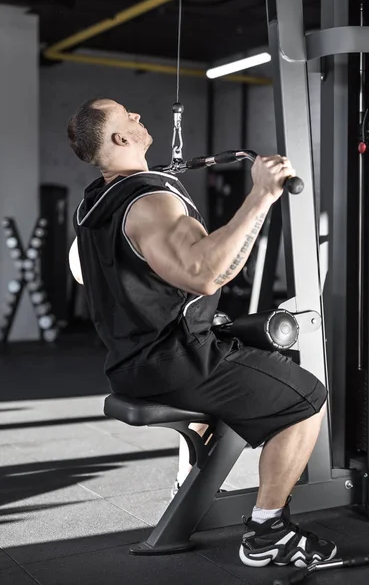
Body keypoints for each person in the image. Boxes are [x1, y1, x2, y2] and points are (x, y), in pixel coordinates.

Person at [67, 97, 336, 569]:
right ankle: (267, 532)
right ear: (119, 139)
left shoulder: (95, 204)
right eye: (129, 115)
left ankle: (193, 489)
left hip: (132, 363)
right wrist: (262, 195)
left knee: (252, 356)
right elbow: (204, 274)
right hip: (178, 362)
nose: (138, 116)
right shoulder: (149, 201)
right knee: (305, 396)